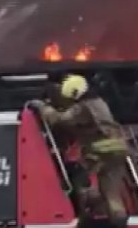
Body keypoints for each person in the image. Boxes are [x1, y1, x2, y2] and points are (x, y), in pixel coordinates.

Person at [28, 74, 131, 222]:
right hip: (119, 149)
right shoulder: (99, 101)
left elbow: (59, 120)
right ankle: (119, 220)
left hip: (101, 151)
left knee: (79, 177)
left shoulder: (83, 107)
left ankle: (86, 217)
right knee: (111, 192)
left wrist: (43, 107)